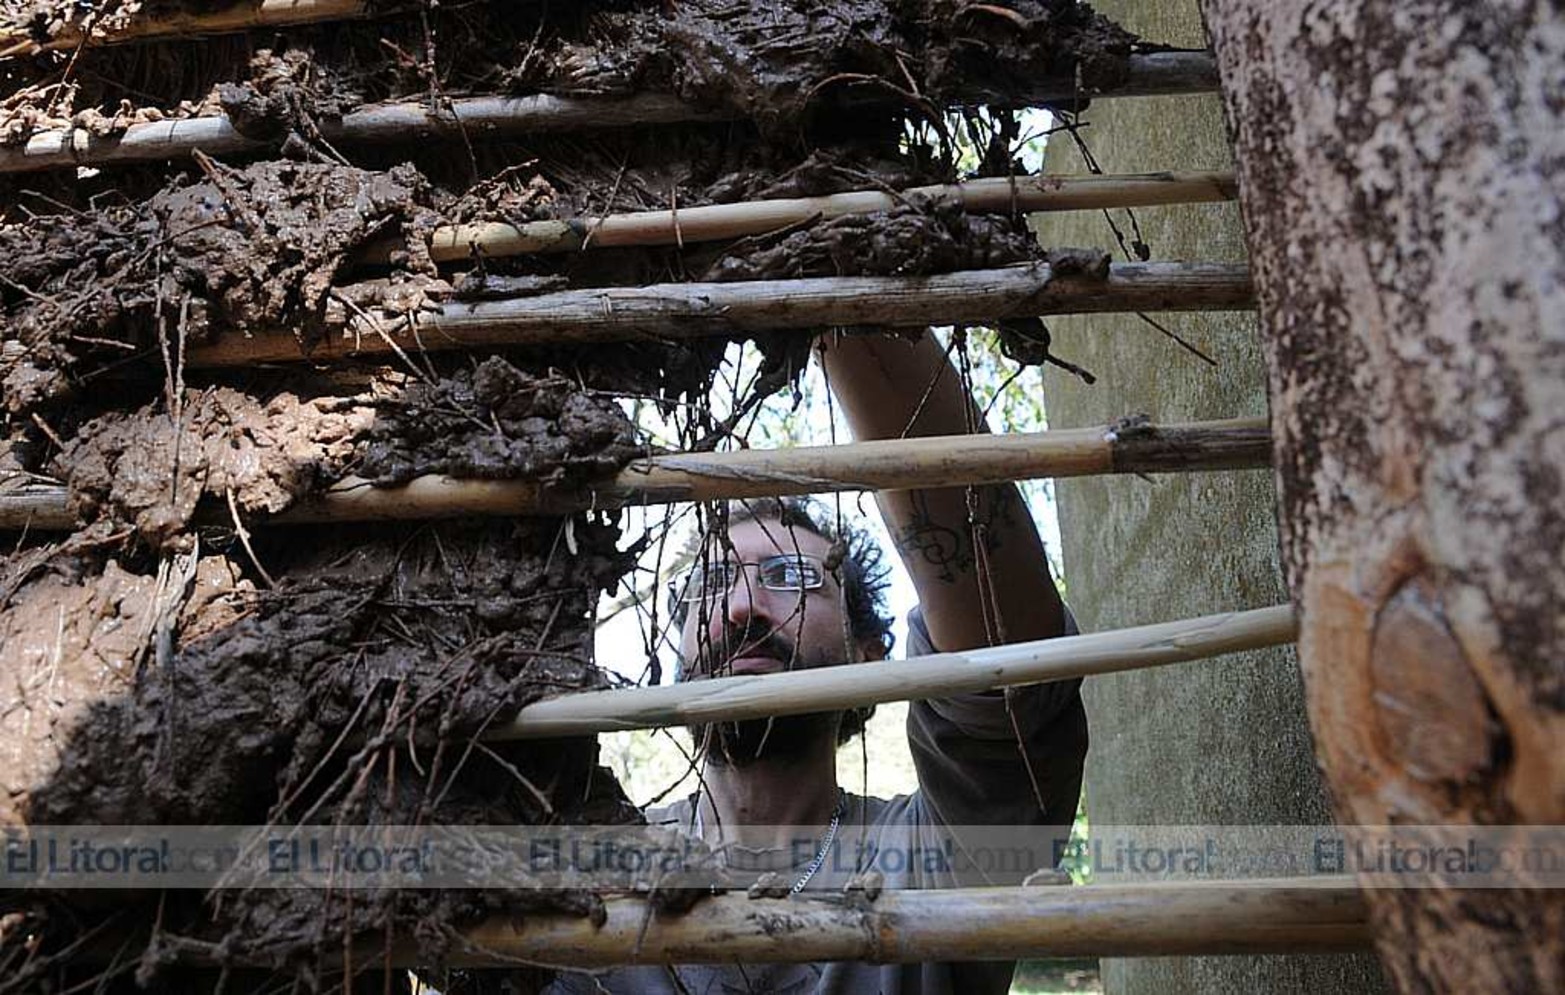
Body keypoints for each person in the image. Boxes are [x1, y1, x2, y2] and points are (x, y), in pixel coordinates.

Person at [549, 330, 1088, 994]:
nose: (742, 605)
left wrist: (834, 292)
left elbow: (1006, 673)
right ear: (678, 649)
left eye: (790, 575)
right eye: (711, 584)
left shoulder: (930, 856)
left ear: (870, 653)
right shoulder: (591, 862)